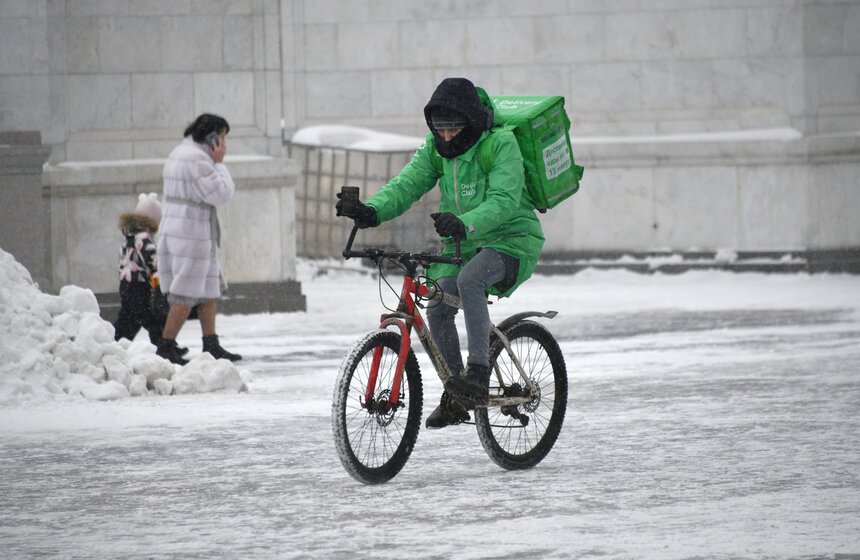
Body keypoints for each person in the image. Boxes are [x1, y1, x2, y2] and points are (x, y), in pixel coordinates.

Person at [336, 77, 545, 429]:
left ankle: (477, 373)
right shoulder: (436, 148)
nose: (446, 137)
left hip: (512, 239)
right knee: (437, 302)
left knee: (470, 278)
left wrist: (465, 222)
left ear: (472, 121)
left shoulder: (500, 144)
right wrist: (370, 211)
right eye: (439, 128)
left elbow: (505, 201)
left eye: (453, 128)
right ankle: (456, 392)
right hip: (465, 243)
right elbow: (406, 185)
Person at [156, 113, 242, 365]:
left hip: (182, 226)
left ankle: (211, 343)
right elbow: (222, 193)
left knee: (207, 288)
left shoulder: (180, 152)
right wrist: (219, 163)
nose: (224, 144)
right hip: (190, 233)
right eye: (223, 137)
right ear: (213, 138)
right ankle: (166, 345)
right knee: (185, 292)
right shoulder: (198, 160)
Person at [113, 193, 187, 356]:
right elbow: (153, 261)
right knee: (153, 319)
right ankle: (165, 349)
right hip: (139, 287)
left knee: (128, 320)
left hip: (126, 286)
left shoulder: (128, 237)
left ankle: (113, 344)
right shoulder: (144, 238)